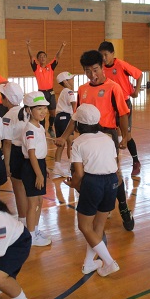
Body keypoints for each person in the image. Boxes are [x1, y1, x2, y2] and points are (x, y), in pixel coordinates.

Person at [55, 50, 135, 232]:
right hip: (85, 136)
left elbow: (123, 114)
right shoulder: (82, 90)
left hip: (107, 135)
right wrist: (63, 137)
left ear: (103, 67)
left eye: (96, 69)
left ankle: (123, 207)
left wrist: (125, 136)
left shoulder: (114, 88)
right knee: (82, 174)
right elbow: (76, 116)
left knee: (113, 173)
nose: (93, 74)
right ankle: (99, 206)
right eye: (88, 71)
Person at [64, 104, 120, 277]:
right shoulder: (108, 138)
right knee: (98, 226)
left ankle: (109, 262)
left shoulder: (78, 142)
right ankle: (89, 263)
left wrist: (73, 184)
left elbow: (79, 173)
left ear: (79, 124)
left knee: (84, 226)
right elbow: (115, 165)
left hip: (93, 183)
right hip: (112, 182)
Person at [98, 41, 143, 176]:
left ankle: (136, 161)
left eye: (106, 55)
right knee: (109, 133)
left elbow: (139, 74)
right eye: (101, 55)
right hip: (109, 106)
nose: (104, 58)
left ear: (112, 54)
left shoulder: (121, 65)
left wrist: (136, 91)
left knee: (126, 136)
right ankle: (112, 165)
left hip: (123, 103)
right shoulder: (101, 68)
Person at [21, 91, 51, 247]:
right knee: (33, 203)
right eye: (38, 108)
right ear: (28, 110)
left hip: (39, 165)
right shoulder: (30, 129)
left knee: (39, 201)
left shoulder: (39, 127)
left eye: (44, 108)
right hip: (31, 167)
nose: (43, 111)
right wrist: (38, 174)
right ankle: (31, 236)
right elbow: (31, 154)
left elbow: (39, 152)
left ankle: (35, 230)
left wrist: (43, 168)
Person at [25, 40, 67, 137]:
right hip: (41, 93)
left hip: (51, 92)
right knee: (42, 113)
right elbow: (31, 56)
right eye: (40, 57)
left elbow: (57, 57)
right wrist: (28, 46)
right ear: (38, 59)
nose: (42, 58)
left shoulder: (50, 67)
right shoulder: (36, 68)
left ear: (46, 58)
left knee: (53, 113)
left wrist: (62, 46)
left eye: (44, 56)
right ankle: (42, 131)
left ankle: (50, 127)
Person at [0, 82, 27, 225]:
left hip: (16, 154)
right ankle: (31, 221)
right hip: (29, 152)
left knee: (18, 189)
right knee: (29, 190)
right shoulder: (26, 112)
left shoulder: (7, 116)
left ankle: (22, 221)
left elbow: (7, 143)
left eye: (2, 96)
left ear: (8, 99)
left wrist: (6, 165)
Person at [52, 71, 77, 177]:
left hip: (58, 118)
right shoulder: (69, 91)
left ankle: (57, 167)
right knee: (70, 143)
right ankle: (72, 168)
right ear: (65, 82)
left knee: (61, 143)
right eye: (70, 79)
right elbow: (74, 104)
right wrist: (76, 117)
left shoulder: (64, 91)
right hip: (65, 118)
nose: (72, 80)